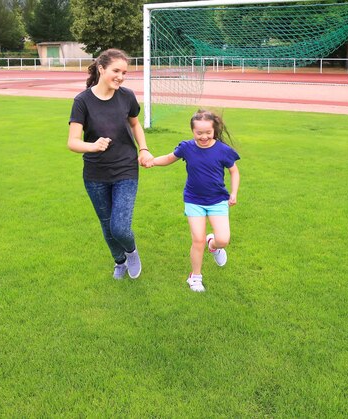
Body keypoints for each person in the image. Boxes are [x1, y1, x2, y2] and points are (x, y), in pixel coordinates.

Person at [67, 48, 154, 280]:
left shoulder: (126, 96)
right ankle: (120, 262)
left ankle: (131, 251)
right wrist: (93, 146)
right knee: (107, 227)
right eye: (116, 71)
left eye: (125, 72)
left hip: (126, 168)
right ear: (101, 68)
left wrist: (143, 148)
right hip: (95, 174)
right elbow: (73, 142)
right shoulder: (82, 102)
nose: (121, 76)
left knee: (120, 228)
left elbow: (135, 125)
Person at [148, 109, 240, 292]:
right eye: (199, 133)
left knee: (223, 240)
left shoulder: (223, 150)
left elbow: (234, 171)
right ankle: (195, 277)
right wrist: (151, 161)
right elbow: (168, 158)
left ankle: (213, 245)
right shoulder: (187, 148)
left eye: (208, 132)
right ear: (192, 131)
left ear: (214, 130)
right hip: (194, 200)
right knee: (197, 240)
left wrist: (234, 193)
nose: (204, 136)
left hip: (218, 200)